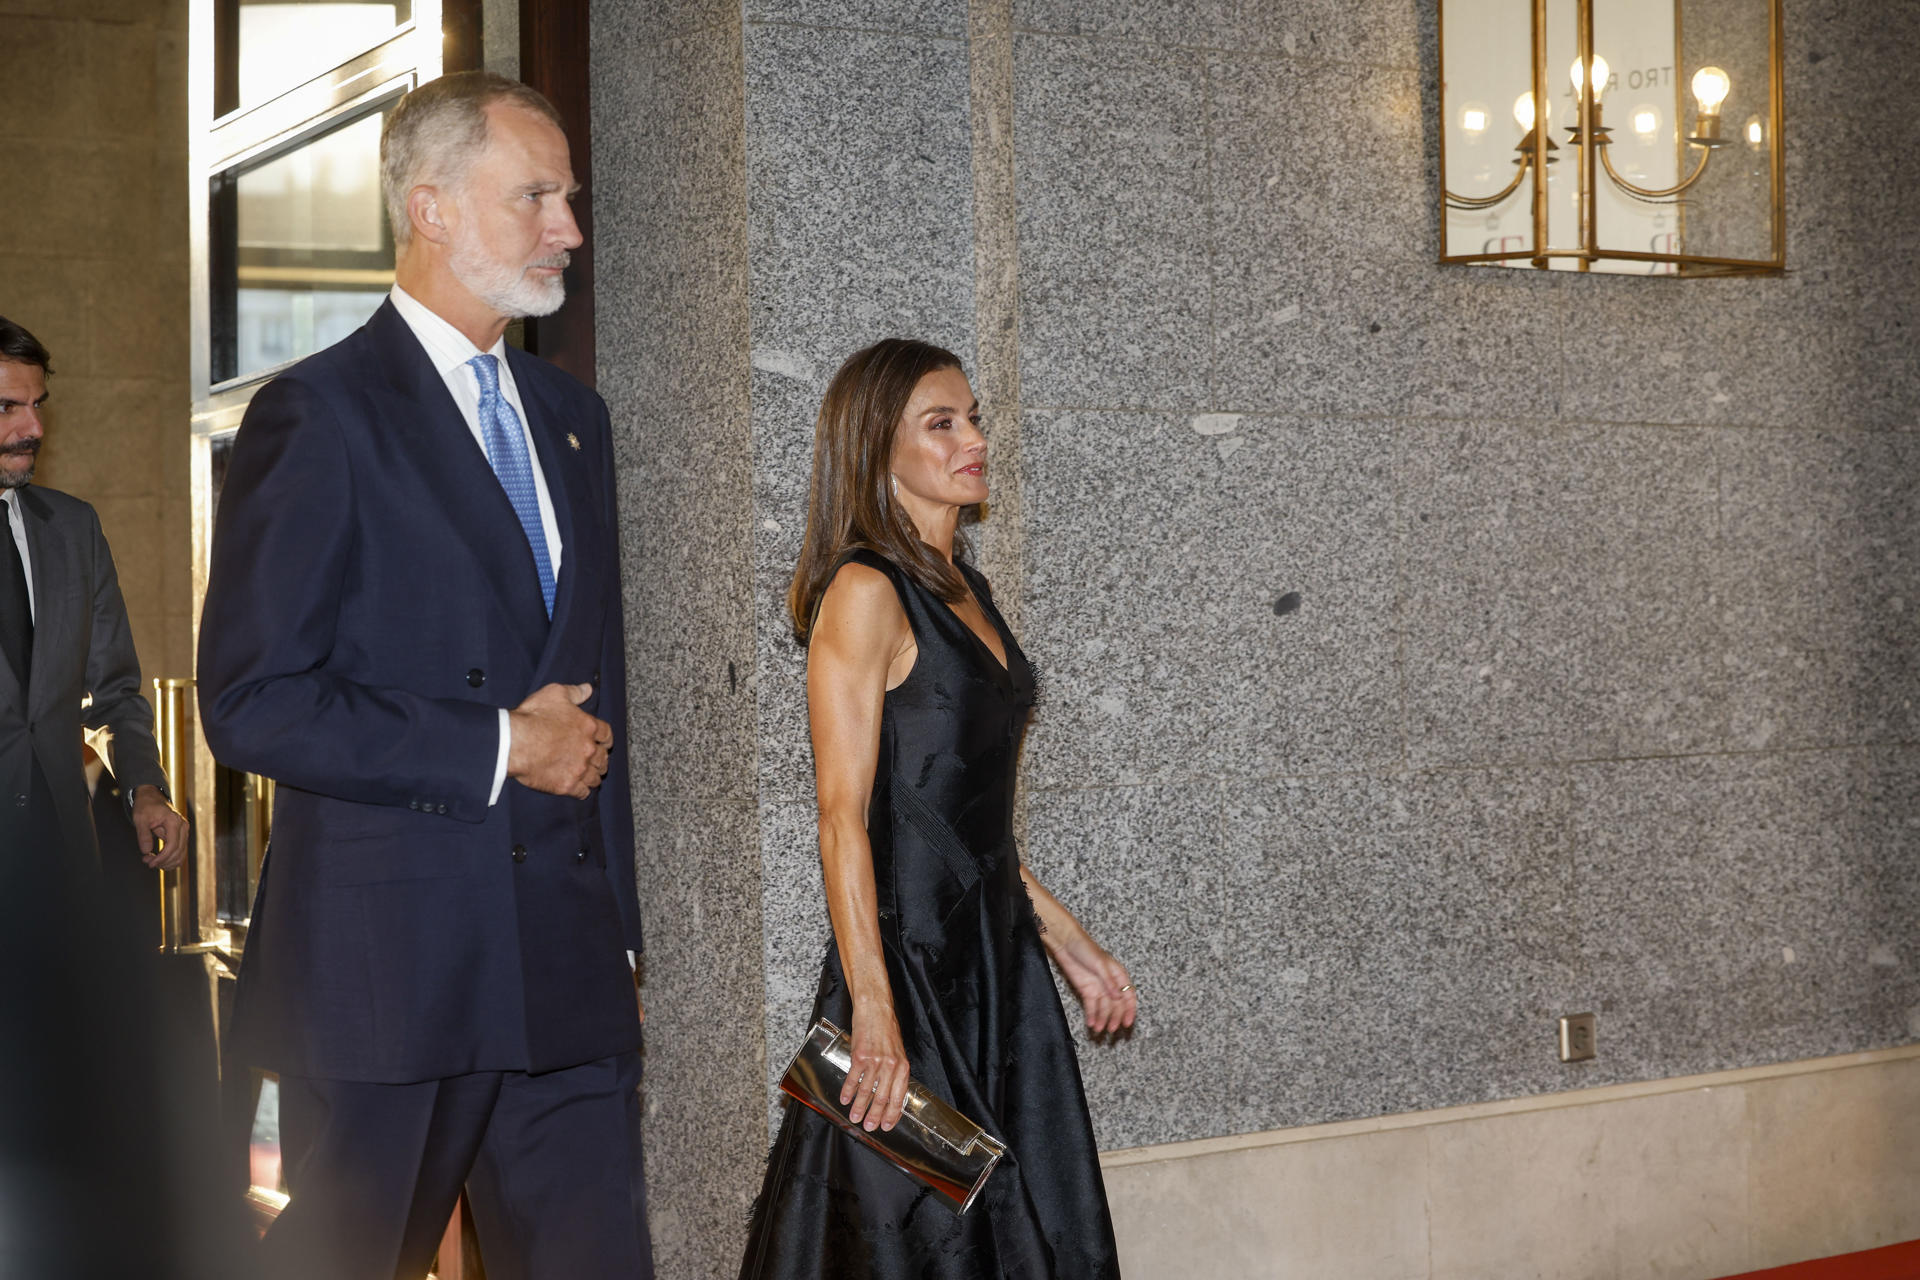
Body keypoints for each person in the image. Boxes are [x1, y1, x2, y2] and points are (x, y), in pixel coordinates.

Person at [197, 71, 651, 1280]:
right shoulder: (319, 415)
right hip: (391, 973)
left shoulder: (572, 416)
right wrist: (499, 741)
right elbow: (250, 699)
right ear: (432, 207)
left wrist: (622, 944)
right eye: (538, 195)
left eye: (569, 196)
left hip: (563, 971)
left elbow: (596, 697)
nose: (569, 227)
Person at [739, 340, 1135, 1279]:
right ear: (879, 450)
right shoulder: (866, 591)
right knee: (921, 1242)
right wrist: (875, 1014)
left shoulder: (967, 591)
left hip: (993, 967)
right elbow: (843, 818)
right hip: (909, 972)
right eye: (942, 423)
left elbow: (960, 821)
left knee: (1010, 1235)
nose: (975, 440)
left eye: (975, 417)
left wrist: (1069, 944)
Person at [0, 317, 187, 869]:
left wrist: (144, 789)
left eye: (39, 404)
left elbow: (112, 693)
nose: (33, 426)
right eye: (6, 408)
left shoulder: (74, 529)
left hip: (62, 868)